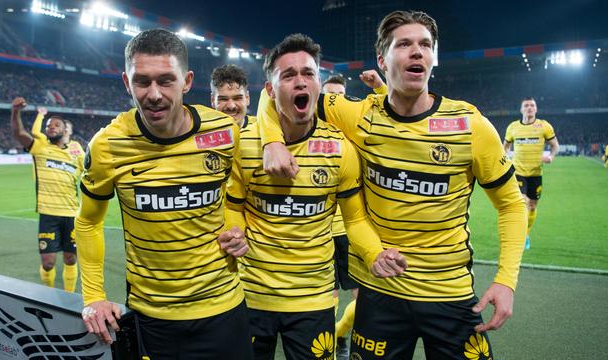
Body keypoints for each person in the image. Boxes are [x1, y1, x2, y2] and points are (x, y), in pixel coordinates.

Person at [257, 11, 527, 359]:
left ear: (434, 59)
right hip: (378, 292)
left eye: (425, 45)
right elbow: (275, 89)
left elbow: (511, 204)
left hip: (448, 293)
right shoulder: (358, 115)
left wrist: (506, 280)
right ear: (382, 60)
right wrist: (272, 141)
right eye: (404, 44)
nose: (417, 52)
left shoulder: (469, 125)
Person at [225, 33, 406, 360]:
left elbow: (355, 218)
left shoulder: (340, 148)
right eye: (288, 75)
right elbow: (231, 207)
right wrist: (233, 230)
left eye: (308, 73)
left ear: (318, 84)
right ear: (269, 90)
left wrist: (374, 252)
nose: (300, 82)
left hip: (315, 300)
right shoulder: (246, 144)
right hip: (250, 296)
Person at [74, 28, 252, 359]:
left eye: (166, 80)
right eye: (142, 81)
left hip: (224, 310)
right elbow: (87, 222)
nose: (154, 93)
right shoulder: (107, 145)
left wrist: (235, 227)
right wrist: (94, 295)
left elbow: (233, 198)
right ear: (127, 82)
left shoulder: (225, 133)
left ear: (186, 81)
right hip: (152, 319)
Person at [321, 71, 386, 360]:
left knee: (366, 299)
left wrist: (381, 86)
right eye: (328, 95)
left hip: (353, 228)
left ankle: (340, 333)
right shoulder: (305, 131)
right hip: (320, 231)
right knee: (328, 298)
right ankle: (329, 347)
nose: (334, 100)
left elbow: (390, 112)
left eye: (339, 95)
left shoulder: (357, 128)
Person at [10, 100, 84, 293]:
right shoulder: (40, 147)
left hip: (71, 214)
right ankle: (49, 294)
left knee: (70, 258)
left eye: (55, 125)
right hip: (48, 214)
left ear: (65, 129)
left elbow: (89, 173)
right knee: (49, 263)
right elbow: (19, 133)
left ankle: (69, 297)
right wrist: (15, 111)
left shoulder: (76, 152)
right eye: (48, 125)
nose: (50, 127)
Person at [504, 97, 559, 249]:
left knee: (533, 206)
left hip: (536, 173)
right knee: (523, 203)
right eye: (526, 105)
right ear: (521, 109)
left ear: (536, 109)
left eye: (532, 105)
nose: (529, 108)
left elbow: (555, 146)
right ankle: (519, 236)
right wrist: (506, 160)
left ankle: (526, 233)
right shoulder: (513, 127)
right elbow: (505, 148)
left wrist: (551, 156)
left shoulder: (544, 126)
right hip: (518, 172)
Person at [210, 64, 255, 129]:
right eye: (223, 99)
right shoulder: (201, 133)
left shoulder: (263, 131)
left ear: (247, 98)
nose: (231, 106)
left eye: (237, 98)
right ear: (213, 100)